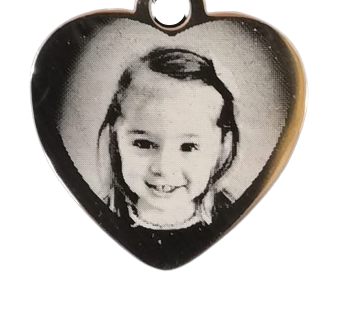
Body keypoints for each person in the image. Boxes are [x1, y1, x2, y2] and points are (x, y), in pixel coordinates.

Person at [97, 47, 239, 231]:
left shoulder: (231, 222)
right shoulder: (100, 218)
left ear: (222, 148)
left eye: (189, 146)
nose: (164, 168)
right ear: (115, 138)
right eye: (143, 144)